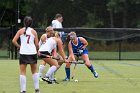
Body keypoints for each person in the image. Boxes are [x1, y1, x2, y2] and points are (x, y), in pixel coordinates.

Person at [12, 16, 40, 93]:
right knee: (34, 71)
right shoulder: (34, 32)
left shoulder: (20, 31)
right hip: (32, 53)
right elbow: (37, 44)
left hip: (23, 53)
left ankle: (23, 90)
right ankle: (37, 89)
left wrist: (19, 47)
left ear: (24, 22)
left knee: (22, 72)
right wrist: (37, 50)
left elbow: (14, 41)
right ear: (31, 23)